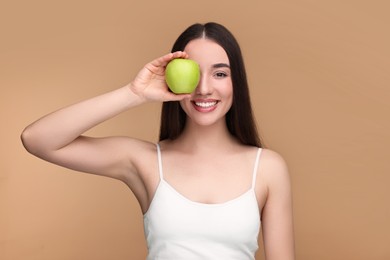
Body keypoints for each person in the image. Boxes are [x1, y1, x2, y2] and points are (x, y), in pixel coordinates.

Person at [21, 22, 295, 260]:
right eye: (194, 73)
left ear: (237, 82)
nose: (204, 89)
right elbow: (37, 139)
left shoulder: (268, 167)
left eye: (220, 73)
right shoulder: (145, 161)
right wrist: (134, 93)